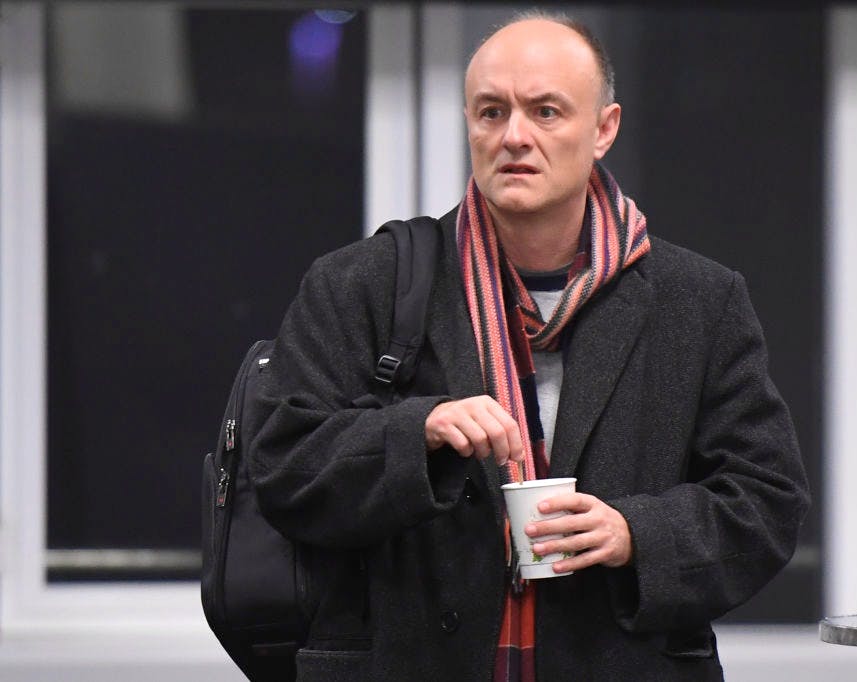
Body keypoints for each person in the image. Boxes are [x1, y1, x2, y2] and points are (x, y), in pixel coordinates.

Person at [249, 11, 810, 682]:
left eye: (546, 112)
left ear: (604, 129)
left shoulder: (697, 300)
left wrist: (636, 534)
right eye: (491, 112)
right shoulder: (364, 283)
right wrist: (416, 432)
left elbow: (767, 501)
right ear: (468, 123)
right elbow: (281, 467)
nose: (514, 136)